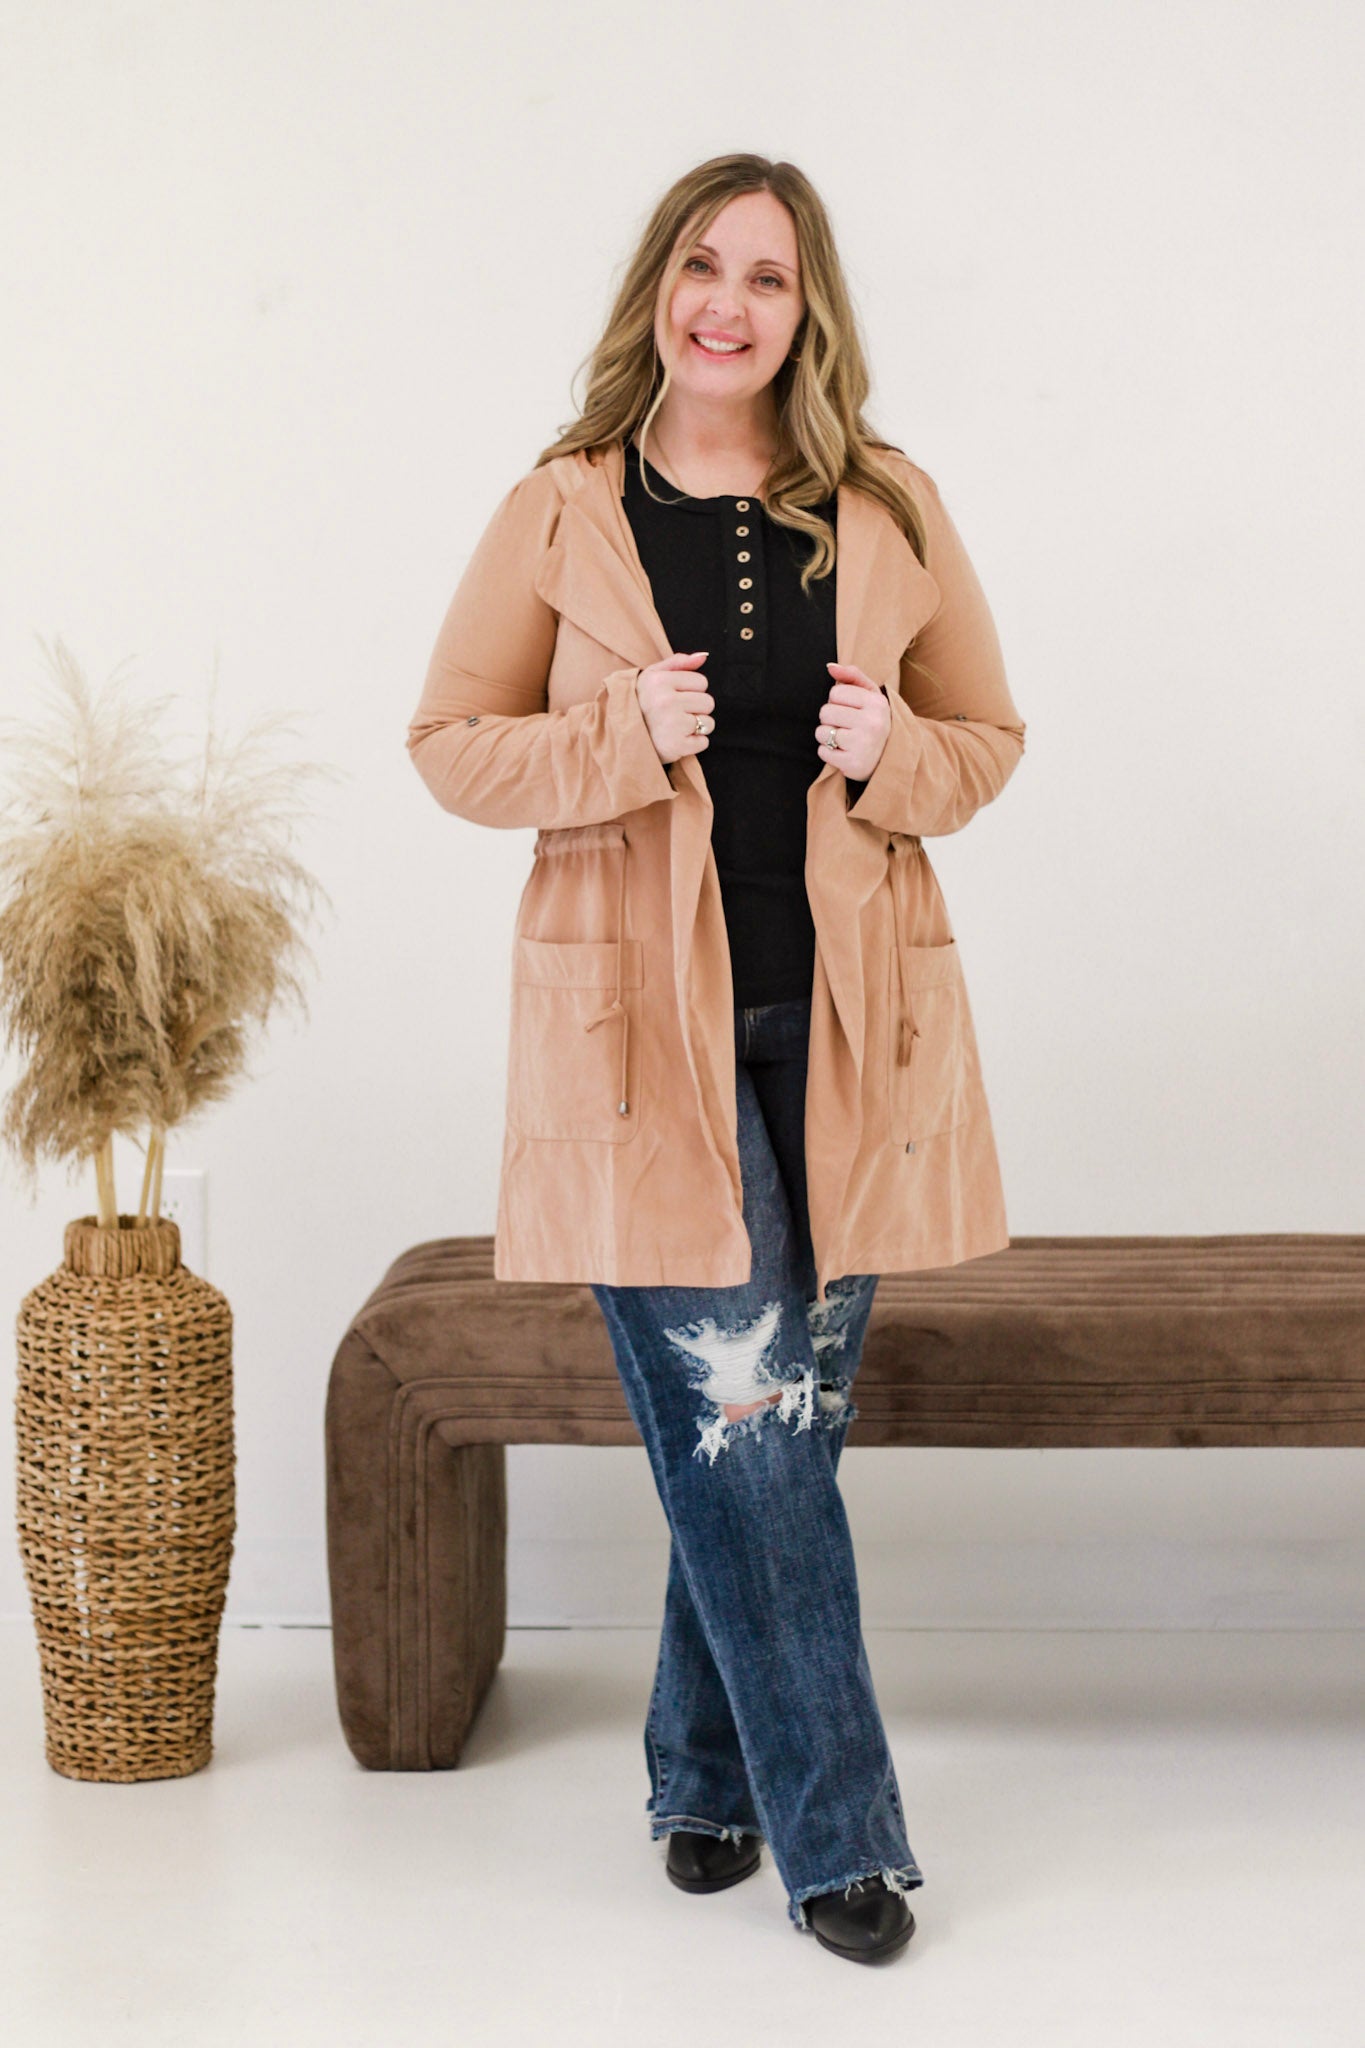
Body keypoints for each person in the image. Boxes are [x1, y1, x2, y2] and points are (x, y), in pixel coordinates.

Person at [406, 153, 1027, 1964]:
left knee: (769, 1423)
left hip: (846, 1032)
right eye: (702, 264)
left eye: (767, 275)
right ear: (657, 289)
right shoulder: (562, 508)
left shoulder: (887, 504)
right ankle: (839, 1838)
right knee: (751, 1426)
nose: (728, 304)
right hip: (639, 1046)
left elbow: (987, 740)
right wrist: (613, 732)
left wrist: (894, 752)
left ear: (805, 311)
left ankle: (698, 1776)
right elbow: (448, 742)